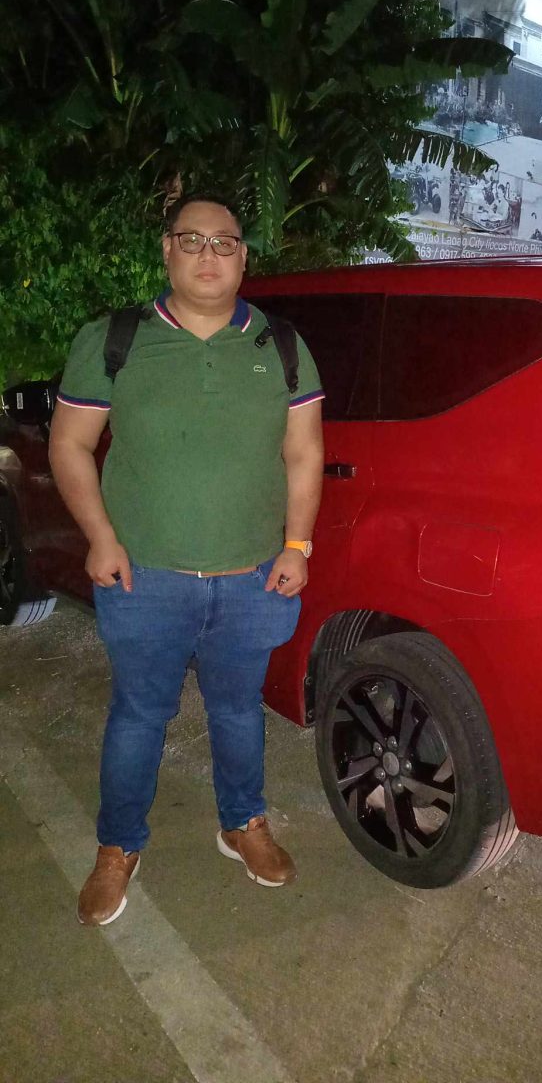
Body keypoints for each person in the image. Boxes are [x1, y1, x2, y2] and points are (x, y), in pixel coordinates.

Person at [49, 192, 325, 926]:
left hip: (252, 578)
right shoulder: (114, 339)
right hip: (145, 577)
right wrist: (100, 536)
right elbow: (69, 443)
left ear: (243, 257)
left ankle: (242, 823)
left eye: (224, 242)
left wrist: (297, 545)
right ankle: (118, 846)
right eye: (192, 240)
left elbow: (304, 454)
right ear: (167, 250)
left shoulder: (283, 344)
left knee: (238, 709)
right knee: (139, 714)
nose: (209, 254)